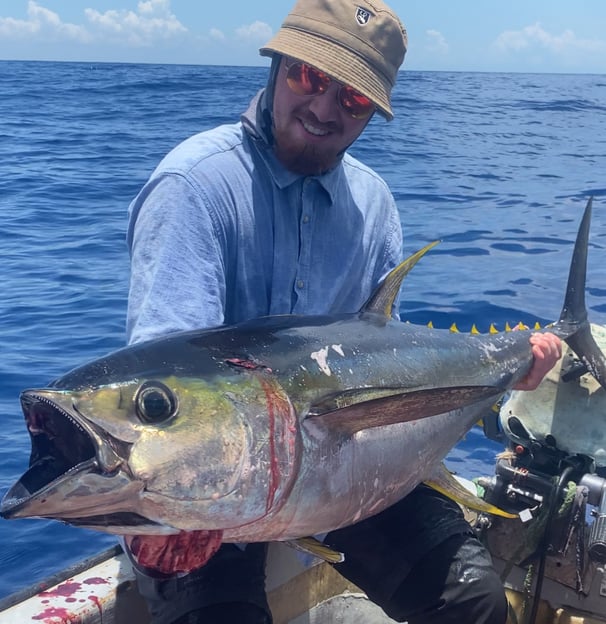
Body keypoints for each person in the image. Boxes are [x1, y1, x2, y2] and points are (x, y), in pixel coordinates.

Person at [124, 0, 562, 622]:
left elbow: (389, 359)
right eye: (310, 77)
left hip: (346, 474)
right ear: (277, 65)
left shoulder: (374, 205)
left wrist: (511, 364)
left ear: (372, 114)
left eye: (353, 101)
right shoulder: (196, 188)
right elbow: (169, 389)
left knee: (476, 604)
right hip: (218, 489)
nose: (324, 110)